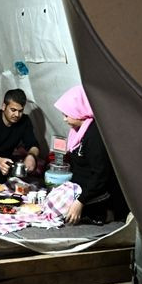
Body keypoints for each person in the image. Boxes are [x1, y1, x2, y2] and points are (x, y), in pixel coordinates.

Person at [53, 84, 129, 225]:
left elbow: (101, 175)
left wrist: (80, 202)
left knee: (66, 216)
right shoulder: (77, 132)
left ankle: (108, 214)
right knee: (53, 205)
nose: (64, 119)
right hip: (83, 189)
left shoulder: (94, 134)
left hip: (98, 192)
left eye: (66, 114)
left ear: (78, 110)